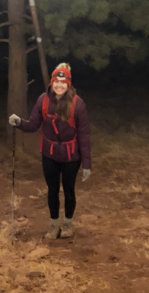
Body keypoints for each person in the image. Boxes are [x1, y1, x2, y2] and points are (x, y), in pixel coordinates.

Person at [9, 62, 91, 240]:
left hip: (71, 156)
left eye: (63, 82)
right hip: (50, 154)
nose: (59, 85)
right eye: (56, 82)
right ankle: (54, 225)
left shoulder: (78, 104)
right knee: (52, 190)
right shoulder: (43, 100)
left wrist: (86, 163)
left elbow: (84, 135)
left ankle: (67, 224)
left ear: (68, 84)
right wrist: (19, 123)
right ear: (52, 83)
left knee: (69, 190)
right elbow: (33, 125)